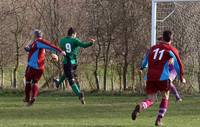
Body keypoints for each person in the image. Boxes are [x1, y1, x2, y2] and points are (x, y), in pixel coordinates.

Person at [131, 30, 186, 126]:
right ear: (171, 39)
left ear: (162, 38)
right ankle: (159, 120)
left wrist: (142, 68)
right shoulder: (171, 49)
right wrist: (181, 76)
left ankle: (140, 106)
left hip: (150, 77)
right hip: (163, 77)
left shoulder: (153, 48)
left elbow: (145, 61)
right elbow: (178, 64)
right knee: (165, 97)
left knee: (151, 99)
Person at [24, 29, 66, 106]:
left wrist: (60, 51)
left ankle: (27, 98)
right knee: (35, 82)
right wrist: (27, 48)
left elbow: (50, 45)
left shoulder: (39, 42)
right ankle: (33, 97)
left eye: (33, 35)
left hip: (32, 66)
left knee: (28, 81)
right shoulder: (36, 43)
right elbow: (31, 49)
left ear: (35, 35)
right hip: (40, 68)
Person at [59, 27, 95, 104]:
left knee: (71, 80)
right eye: (75, 34)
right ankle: (58, 83)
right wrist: (91, 43)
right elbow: (84, 45)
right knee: (67, 74)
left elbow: (61, 50)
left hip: (67, 62)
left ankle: (79, 94)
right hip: (74, 63)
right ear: (73, 34)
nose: (75, 36)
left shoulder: (62, 41)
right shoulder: (75, 40)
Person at [158, 37, 182, 102]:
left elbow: (173, 59)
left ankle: (177, 97)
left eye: (160, 42)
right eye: (159, 42)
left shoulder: (169, 49)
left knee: (168, 81)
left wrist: (171, 59)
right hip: (166, 70)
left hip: (173, 70)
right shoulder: (159, 51)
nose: (159, 43)